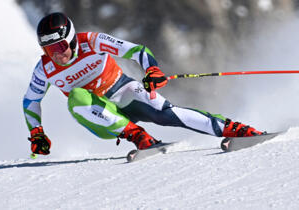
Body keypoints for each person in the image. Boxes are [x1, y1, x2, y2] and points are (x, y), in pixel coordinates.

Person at [23, 12, 264, 155]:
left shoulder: (92, 41)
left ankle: (236, 130)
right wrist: (36, 132)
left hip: (122, 89)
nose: (57, 54)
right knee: (77, 97)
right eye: (49, 48)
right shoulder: (45, 69)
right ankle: (140, 138)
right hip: (100, 116)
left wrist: (152, 69)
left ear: (72, 39)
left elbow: (136, 51)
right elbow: (30, 101)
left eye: (61, 46)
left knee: (166, 113)